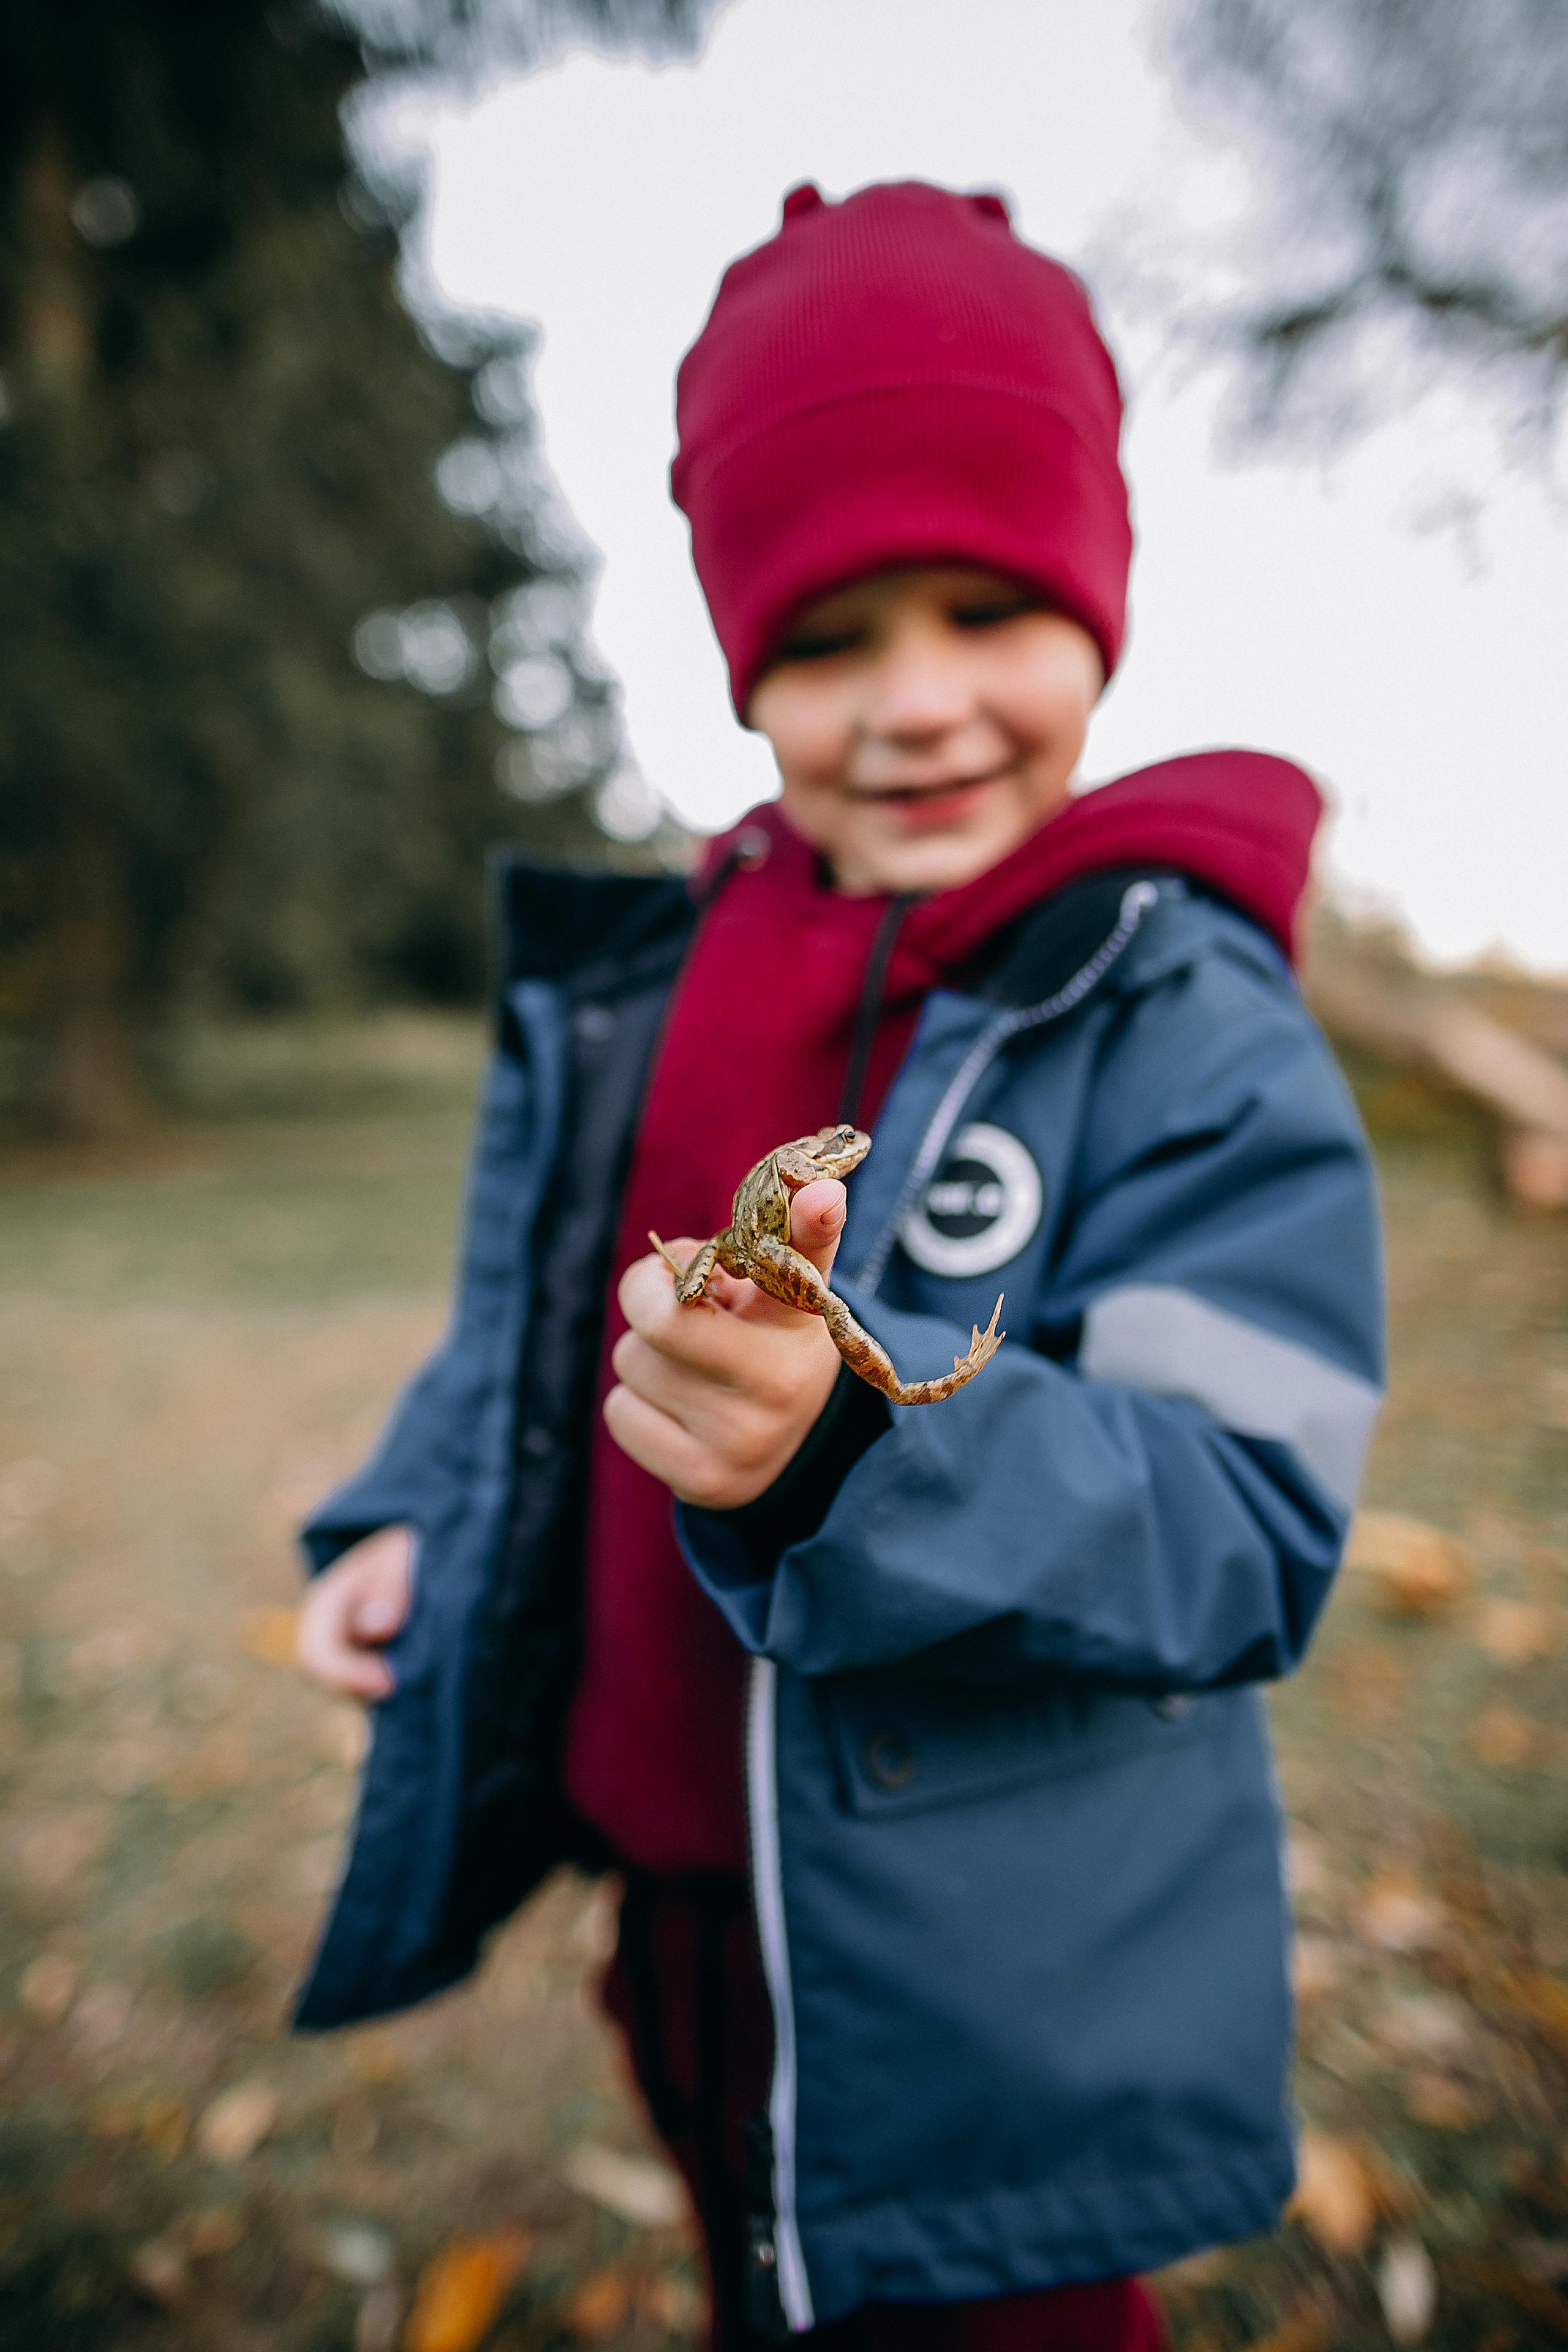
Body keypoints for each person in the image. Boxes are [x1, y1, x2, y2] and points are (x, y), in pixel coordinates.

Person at [295, 182, 1384, 2350]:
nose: (918, 705)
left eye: (989, 608)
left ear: (1103, 600)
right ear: (737, 663)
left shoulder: (1183, 1016)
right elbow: (541, 1329)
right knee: (758, 2280)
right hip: (681, 1893)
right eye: (827, 638)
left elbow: (1244, 1520)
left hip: (989, 1952)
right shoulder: (672, 966)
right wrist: (411, 1509)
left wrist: (853, 1448)